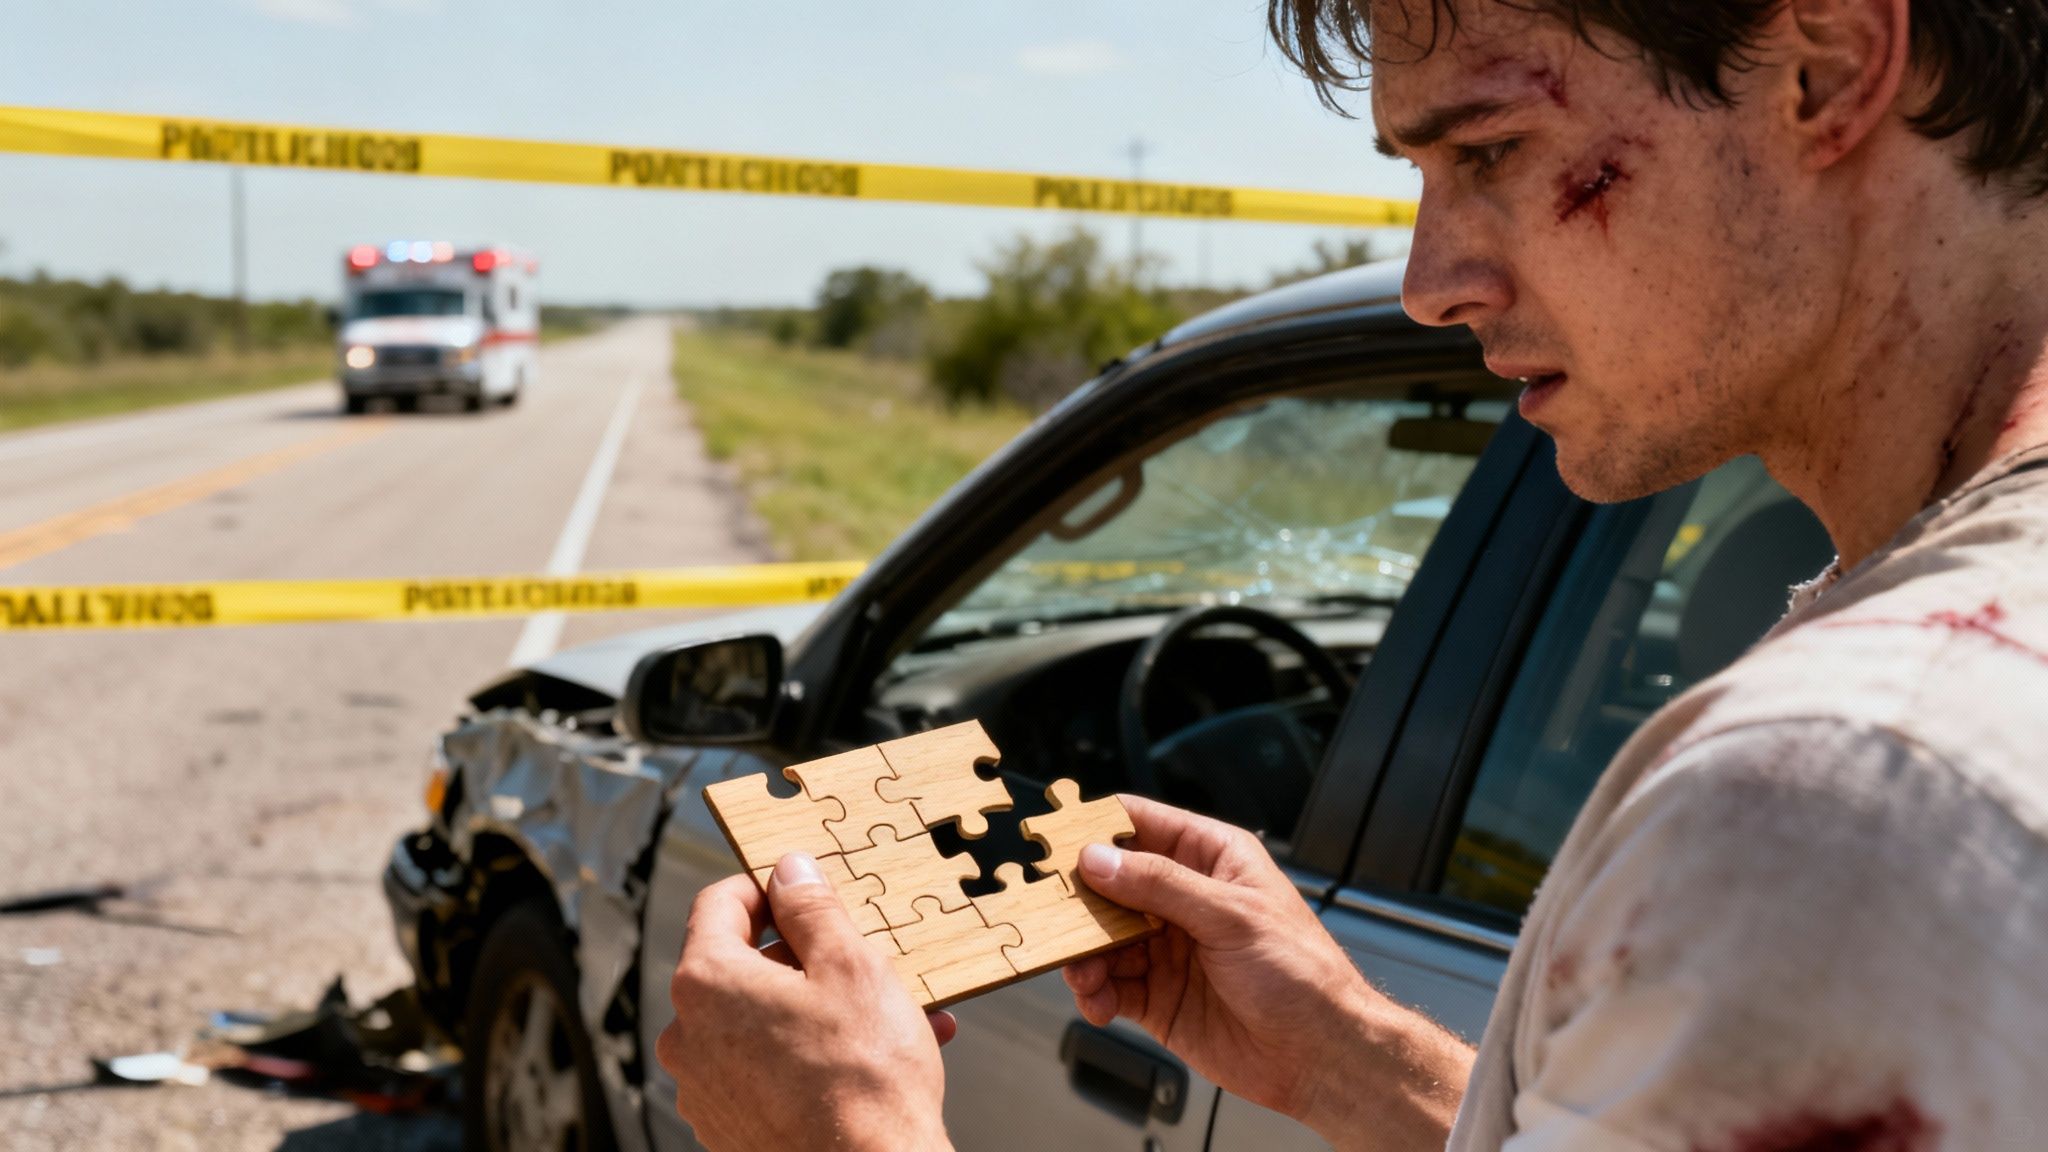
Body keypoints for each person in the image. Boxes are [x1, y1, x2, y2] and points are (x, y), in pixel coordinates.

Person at [657, 0, 2048, 1146]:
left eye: (1492, 149)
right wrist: (1352, 1057)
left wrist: (843, 1135)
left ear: (1826, 69)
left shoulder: (1847, 790)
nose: (1428, 282)